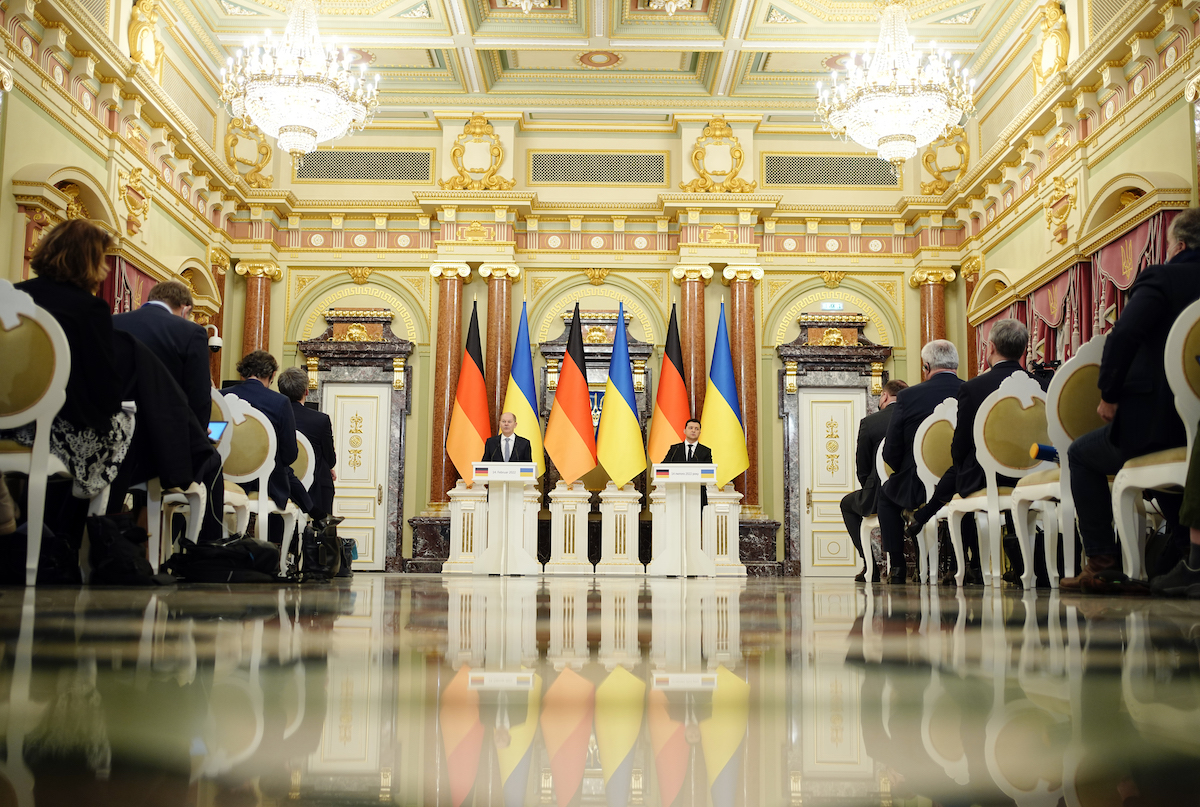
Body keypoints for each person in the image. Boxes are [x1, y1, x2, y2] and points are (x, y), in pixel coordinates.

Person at [1063, 208, 1200, 593]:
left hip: (1162, 423)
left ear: (1179, 244)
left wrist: (1109, 394)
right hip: (1195, 431)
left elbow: (1123, 335)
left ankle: (1102, 563)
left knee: (1081, 454)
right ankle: (1179, 548)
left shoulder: (1163, 276)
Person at [905, 319, 1034, 582]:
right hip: (1033, 474)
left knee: (964, 464)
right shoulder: (1042, 383)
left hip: (989, 476)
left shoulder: (974, 388)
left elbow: (961, 443)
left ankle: (926, 517)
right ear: (1024, 348)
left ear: (991, 348)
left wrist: (960, 459)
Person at [878, 340, 963, 583]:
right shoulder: (971, 391)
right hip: (963, 483)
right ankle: (964, 564)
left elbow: (891, 450)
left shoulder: (908, 397)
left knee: (885, 495)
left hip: (918, 485)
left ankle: (897, 567)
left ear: (926, 366)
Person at [224, 351, 316, 522]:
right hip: (265, 483)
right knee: (283, 466)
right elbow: (289, 454)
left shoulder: (221, 396)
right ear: (272, 375)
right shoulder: (279, 402)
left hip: (223, 477)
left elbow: (214, 438)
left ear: (243, 371)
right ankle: (313, 516)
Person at [113, 279, 212, 428]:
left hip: (115, 426)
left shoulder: (112, 322)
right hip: (165, 430)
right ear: (185, 310)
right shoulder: (190, 332)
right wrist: (199, 436)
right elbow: (199, 395)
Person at [841, 380, 908, 582]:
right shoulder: (914, 419)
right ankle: (902, 565)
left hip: (879, 493)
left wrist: (869, 487)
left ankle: (870, 564)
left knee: (846, 504)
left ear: (885, 396)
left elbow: (862, 467)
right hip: (910, 492)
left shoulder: (870, 423)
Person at [277, 367, 337, 516]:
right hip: (315, 488)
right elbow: (330, 459)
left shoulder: (273, 416)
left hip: (281, 485)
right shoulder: (321, 420)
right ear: (306, 391)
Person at [664, 418, 713, 507]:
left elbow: (709, 472)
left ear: (700, 432)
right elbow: (663, 467)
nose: (693, 430)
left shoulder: (705, 451)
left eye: (696, 429)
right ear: (684, 431)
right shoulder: (675, 449)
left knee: (696, 520)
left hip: (698, 494)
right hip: (676, 493)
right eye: (690, 428)